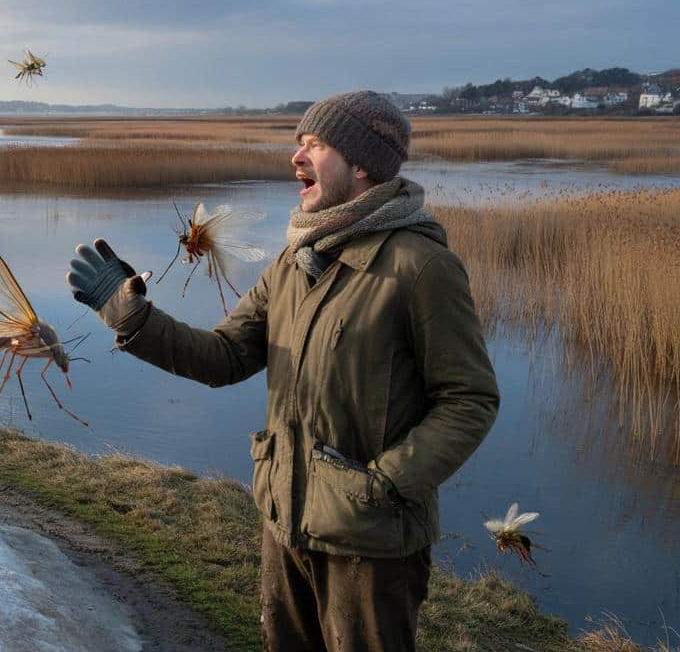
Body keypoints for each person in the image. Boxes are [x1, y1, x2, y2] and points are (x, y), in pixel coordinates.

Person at [66, 91, 499, 651]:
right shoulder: (295, 262)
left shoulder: (420, 268)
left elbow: (470, 399)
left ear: (362, 163)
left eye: (314, 144)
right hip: (285, 522)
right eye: (298, 143)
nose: (296, 157)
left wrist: (385, 484)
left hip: (370, 542)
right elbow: (224, 357)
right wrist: (135, 320)